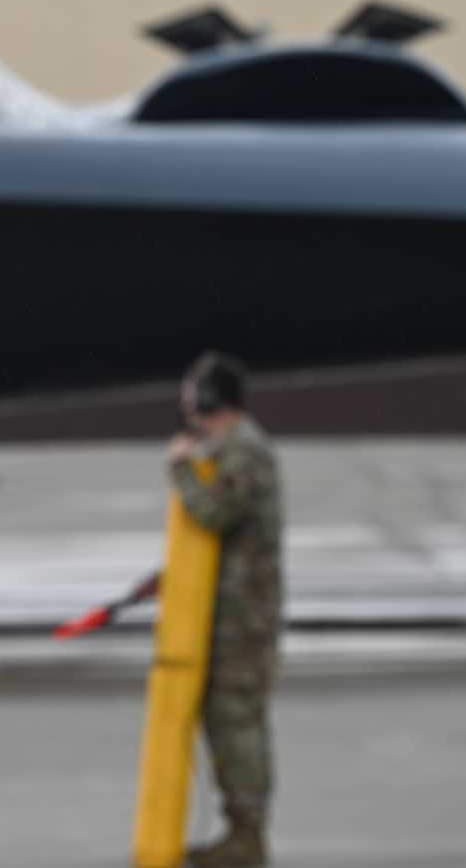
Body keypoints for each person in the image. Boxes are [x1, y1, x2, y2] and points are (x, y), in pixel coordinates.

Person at [168, 351, 284, 868]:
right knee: (229, 722)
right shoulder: (236, 448)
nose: (187, 400)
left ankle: (247, 837)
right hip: (234, 616)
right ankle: (241, 833)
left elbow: (215, 511)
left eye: (195, 390)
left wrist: (181, 471)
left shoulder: (244, 451)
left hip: (243, 621)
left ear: (214, 397)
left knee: (237, 723)